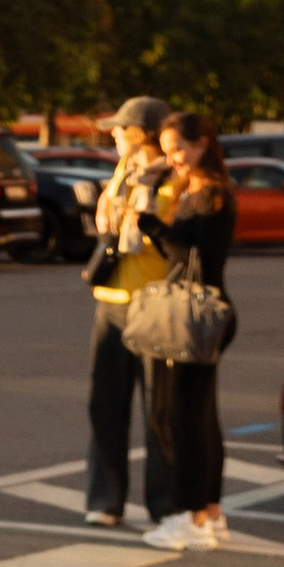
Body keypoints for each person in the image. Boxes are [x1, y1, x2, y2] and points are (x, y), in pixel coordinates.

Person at [134, 113, 236, 551]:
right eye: (168, 148)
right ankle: (210, 514)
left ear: (202, 145)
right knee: (202, 416)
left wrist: (151, 224)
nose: (172, 156)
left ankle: (192, 520)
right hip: (205, 312)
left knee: (184, 418)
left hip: (194, 315)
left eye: (179, 147)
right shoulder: (199, 191)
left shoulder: (209, 195)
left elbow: (198, 259)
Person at [84, 97, 178, 530]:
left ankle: (165, 506)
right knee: (105, 405)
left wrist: (144, 219)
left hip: (155, 303)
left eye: (121, 129)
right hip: (112, 300)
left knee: (159, 411)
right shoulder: (122, 172)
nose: (114, 135)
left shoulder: (173, 178)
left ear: (142, 132)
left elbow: (177, 241)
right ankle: (106, 499)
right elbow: (110, 224)